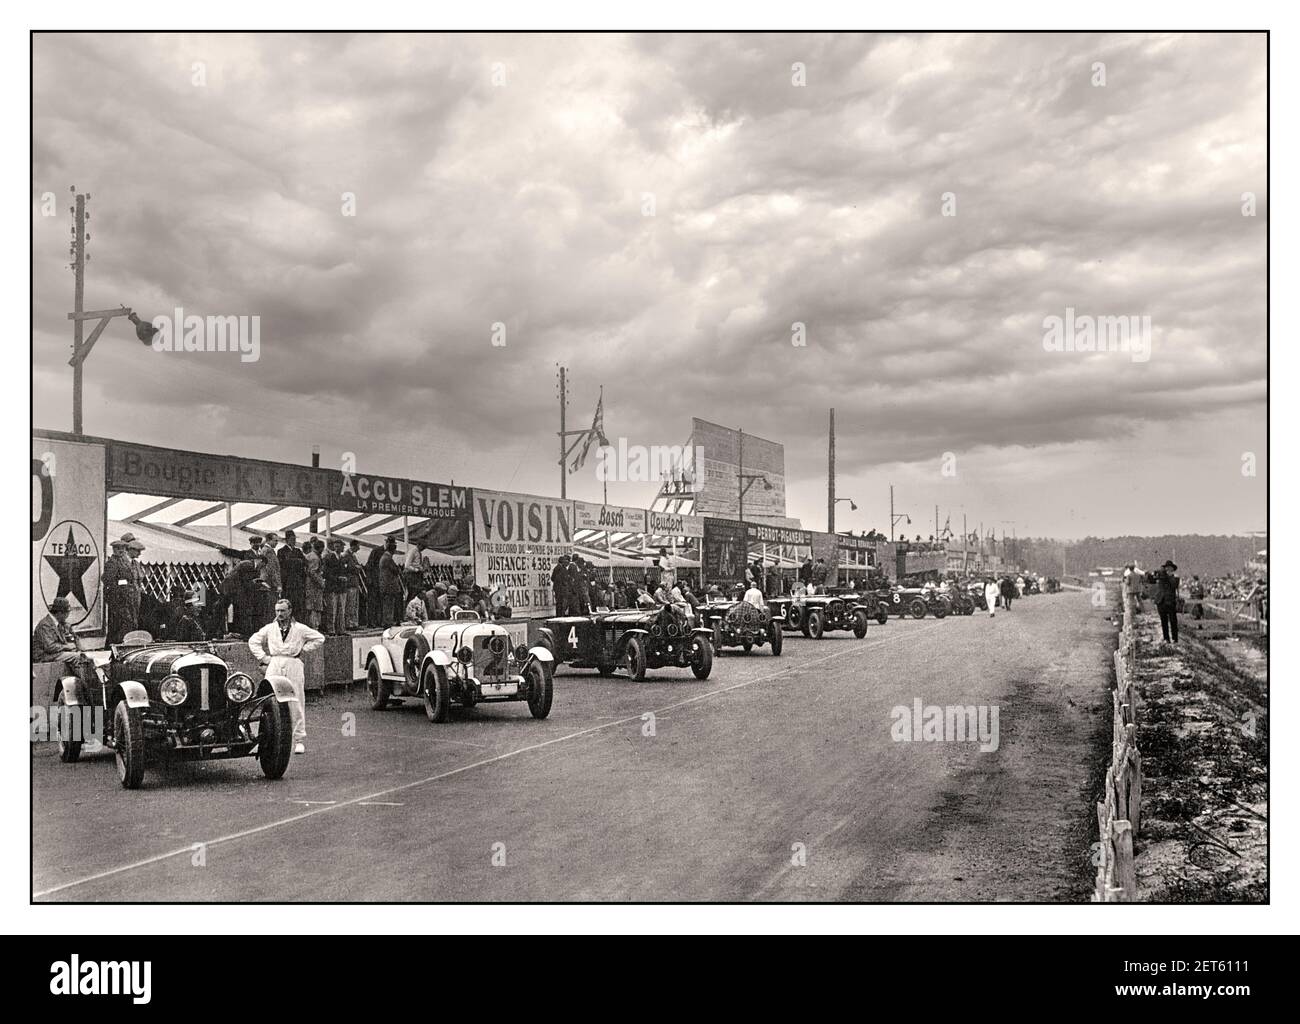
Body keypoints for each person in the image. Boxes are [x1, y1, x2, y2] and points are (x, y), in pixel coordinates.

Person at [248, 599, 324, 755]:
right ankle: (264, 738)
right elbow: (253, 641)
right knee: (269, 699)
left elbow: (319, 638)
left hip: (293, 663)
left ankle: (298, 740)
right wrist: (264, 658)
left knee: (296, 699)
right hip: (274, 663)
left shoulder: (300, 629)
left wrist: (304, 649)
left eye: (282, 611)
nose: (279, 614)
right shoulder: (269, 628)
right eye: (277, 611)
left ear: (290, 611)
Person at [102, 536, 138, 644]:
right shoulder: (111, 563)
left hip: (125, 597)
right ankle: (115, 645)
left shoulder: (124, 563)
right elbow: (107, 579)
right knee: (120, 623)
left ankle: (116, 644)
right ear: (114, 550)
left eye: (123, 548)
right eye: (119, 549)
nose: (121, 551)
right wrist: (119, 586)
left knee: (122, 623)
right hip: (116, 598)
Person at [1146, 560, 1181, 644]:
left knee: (1173, 621)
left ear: (1173, 570)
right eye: (1166, 568)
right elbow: (1151, 580)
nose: (1168, 570)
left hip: (1170, 602)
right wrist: (1149, 574)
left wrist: (1169, 576)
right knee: (1163, 621)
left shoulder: (1175, 578)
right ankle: (1166, 638)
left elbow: (1174, 585)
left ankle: (1175, 639)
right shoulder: (1161, 576)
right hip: (1161, 601)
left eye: (1170, 569)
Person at [278, 531, 307, 619]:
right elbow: (283, 565)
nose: (294, 541)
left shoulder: (298, 550)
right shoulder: (281, 551)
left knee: (298, 606)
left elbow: (305, 562)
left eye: (294, 539)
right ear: (287, 540)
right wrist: (297, 561)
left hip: (298, 583)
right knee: (288, 604)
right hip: (288, 583)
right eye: (292, 539)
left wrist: (293, 561)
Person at [379, 538, 404, 625]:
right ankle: (387, 622)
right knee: (389, 605)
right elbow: (396, 570)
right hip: (389, 586)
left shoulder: (385, 557)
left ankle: (387, 621)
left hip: (386, 585)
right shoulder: (388, 558)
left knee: (388, 605)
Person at [303, 539, 324, 629]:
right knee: (314, 607)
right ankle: (314, 626)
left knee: (313, 607)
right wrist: (321, 582)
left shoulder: (311, 556)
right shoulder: (314, 558)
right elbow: (312, 572)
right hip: (313, 586)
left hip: (312, 585)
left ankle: (314, 626)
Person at [342, 539, 363, 630]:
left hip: (354, 583)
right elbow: (347, 567)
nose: (359, 548)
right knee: (350, 604)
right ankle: (349, 623)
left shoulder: (352, 555)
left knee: (354, 604)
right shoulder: (347, 555)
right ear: (353, 546)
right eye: (358, 546)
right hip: (350, 583)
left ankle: (354, 623)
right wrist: (356, 567)